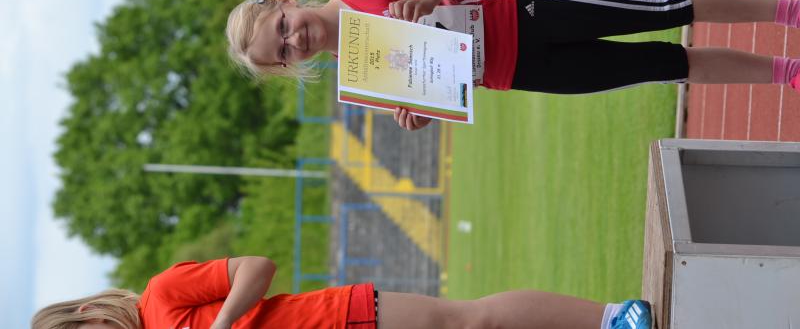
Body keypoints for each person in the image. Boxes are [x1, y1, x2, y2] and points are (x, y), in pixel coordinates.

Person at [226, 0, 800, 130]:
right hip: (521, 73)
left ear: (284, 3)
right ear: (286, 66)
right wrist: (421, 115)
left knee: (663, 8)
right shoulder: (358, 79)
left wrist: (426, 0)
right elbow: (441, 91)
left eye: (282, 28)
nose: (294, 40)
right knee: (666, 65)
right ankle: (787, 74)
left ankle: (789, 12)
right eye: (282, 52)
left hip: (528, 15)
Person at [31, 256, 655, 329]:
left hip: (343, 317)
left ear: (86, 314)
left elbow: (257, 268)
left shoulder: (162, 295)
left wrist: (219, 328)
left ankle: (612, 318)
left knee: (471, 321)